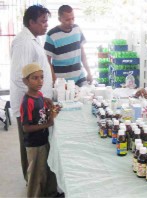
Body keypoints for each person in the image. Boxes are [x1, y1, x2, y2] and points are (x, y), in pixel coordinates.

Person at [10, 4, 53, 183]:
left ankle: (38, 183)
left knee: (39, 148)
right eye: (43, 22)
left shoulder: (33, 39)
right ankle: (32, 185)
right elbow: (20, 76)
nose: (46, 25)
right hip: (29, 106)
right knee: (30, 147)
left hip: (37, 103)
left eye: (47, 21)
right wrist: (37, 100)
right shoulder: (24, 42)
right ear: (31, 22)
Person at [20, 63, 58, 197]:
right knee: (36, 175)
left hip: (42, 141)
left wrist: (49, 105)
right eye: (35, 78)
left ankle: (48, 193)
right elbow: (26, 127)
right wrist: (48, 124)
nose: (40, 81)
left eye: (42, 77)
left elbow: (41, 109)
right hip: (34, 145)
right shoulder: (27, 102)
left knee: (44, 171)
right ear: (26, 81)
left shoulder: (39, 95)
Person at [44, 5, 92, 86]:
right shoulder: (51, 35)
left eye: (73, 18)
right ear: (60, 19)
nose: (71, 22)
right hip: (62, 82)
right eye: (67, 20)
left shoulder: (77, 29)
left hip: (79, 77)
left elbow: (82, 53)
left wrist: (89, 72)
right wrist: (54, 80)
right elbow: (47, 61)